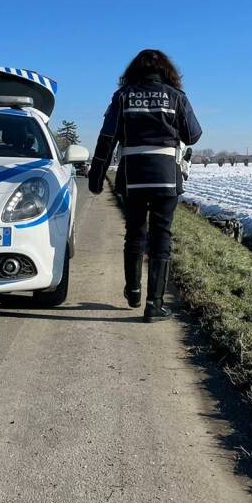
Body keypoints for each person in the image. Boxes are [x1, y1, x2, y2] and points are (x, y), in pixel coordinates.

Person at [88, 49, 202, 322]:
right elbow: (194, 134)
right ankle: (155, 304)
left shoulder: (123, 97)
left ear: (133, 72)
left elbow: (107, 137)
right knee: (161, 235)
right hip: (165, 177)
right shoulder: (176, 97)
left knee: (135, 232)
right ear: (166, 71)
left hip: (133, 177)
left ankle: (133, 290)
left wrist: (96, 175)